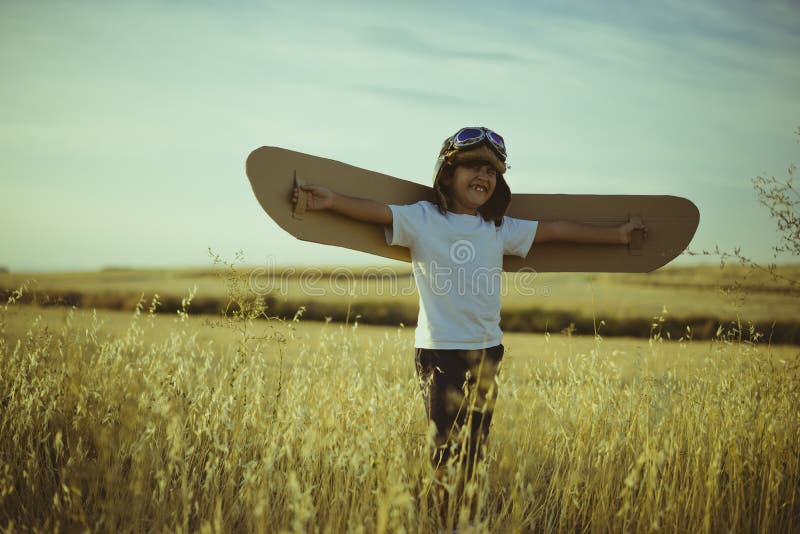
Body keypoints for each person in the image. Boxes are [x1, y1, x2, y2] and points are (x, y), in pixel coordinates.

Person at [291, 126, 647, 528]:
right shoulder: (423, 219)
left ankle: (465, 518)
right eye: (473, 167)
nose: (484, 176)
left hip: (487, 350)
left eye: (492, 171)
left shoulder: (497, 228)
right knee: (445, 448)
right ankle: (442, 519)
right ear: (447, 173)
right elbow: (377, 211)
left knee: (475, 447)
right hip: (440, 351)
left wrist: (617, 235)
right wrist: (332, 200)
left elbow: (559, 230)